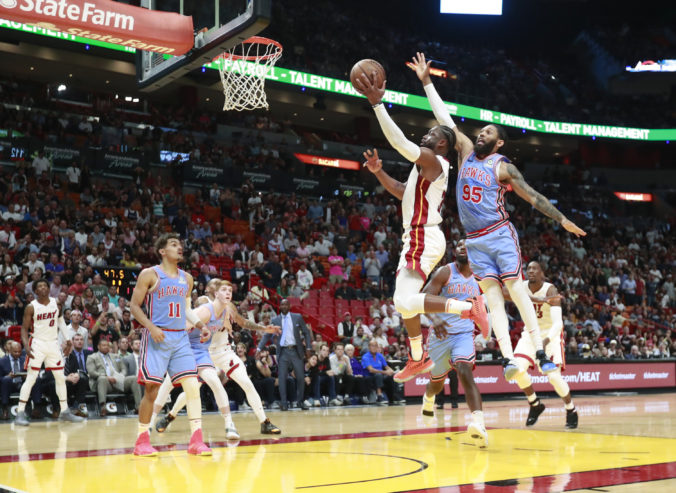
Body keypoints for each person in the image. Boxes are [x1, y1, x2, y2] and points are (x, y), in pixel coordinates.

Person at [412, 52, 586, 379]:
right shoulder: (464, 151)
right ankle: (508, 358)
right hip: (475, 241)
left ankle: (538, 352)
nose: (481, 134)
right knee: (492, 299)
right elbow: (446, 119)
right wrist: (426, 82)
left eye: (489, 133)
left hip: (499, 233)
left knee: (518, 293)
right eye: (481, 131)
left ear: (499, 142)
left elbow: (533, 196)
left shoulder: (503, 166)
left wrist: (561, 219)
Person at [356, 73, 489, 385]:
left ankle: (467, 308)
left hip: (424, 235)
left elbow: (399, 142)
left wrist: (378, 105)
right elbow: (404, 191)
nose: (424, 137)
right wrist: (379, 173)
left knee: (404, 301)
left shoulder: (435, 161)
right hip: (416, 236)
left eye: (430, 134)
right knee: (403, 302)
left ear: (441, 143)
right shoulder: (425, 169)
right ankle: (418, 357)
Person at [154, 280, 281, 437]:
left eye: (228, 288)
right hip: (203, 353)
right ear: (211, 290)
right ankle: (170, 415)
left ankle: (264, 422)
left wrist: (263, 328)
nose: (225, 290)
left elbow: (242, 322)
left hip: (224, 352)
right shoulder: (203, 305)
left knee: (246, 383)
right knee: (192, 390)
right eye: (218, 285)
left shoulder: (228, 306)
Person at [130, 233, 212, 457]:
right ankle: (142, 440)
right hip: (158, 336)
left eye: (181, 244)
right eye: (174, 245)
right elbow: (134, 306)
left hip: (180, 339)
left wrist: (198, 324)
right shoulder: (150, 274)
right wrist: (151, 327)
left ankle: (196, 440)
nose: (180, 247)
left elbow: (185, 309)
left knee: (193, 386)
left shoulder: (187, 278)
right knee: (152, 390)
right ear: (162, 251)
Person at [420, 239, 488, 448]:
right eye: (458, 245)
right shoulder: (445, 272)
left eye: (465, 246)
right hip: (440, 335)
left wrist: (485, 332)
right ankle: (428, 398)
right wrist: (435, 319)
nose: (460, 248)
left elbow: (488, 305)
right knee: (437, 383)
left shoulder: (481, 277)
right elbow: (423, 298)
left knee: (465, 371)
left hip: (464, 334)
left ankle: (479, 423)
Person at [511, 261, 578, 429]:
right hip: (530, 334)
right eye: (529, 269)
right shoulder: (521, 287)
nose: (531, 271)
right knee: (516, 370)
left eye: (535, 269)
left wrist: (545, 341)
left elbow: (558, 324)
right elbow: (504, 291)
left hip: (550, 335)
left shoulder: (551, 290)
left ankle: (571, 409)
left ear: (542, 273)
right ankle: (535, 404)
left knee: (554, 377)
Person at [15, 278, 83, 425]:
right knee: (31, 378)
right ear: (35, 290)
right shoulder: (31, 307)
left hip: (53, 344)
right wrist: (26, 345)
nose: (43, 288)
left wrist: (68, 339)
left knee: (60, 377)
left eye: (45, 285)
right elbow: (24, 329)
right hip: (37, 344)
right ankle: (20, 412)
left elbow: (60, 321)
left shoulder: (55, 303)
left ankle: (65, 411)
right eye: (40, 286)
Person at [257, 298, 312, 411]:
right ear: (280, 307)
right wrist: (259, 348)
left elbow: (306, 333)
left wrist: (309, 347)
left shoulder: (297, 317)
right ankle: (284, 403)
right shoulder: (275, 320)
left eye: (286, 304)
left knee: (301, 377)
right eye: (282, 305)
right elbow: (267, 335)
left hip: (296, 351)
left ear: (289, 306)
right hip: (283, 352)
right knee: (282, 378)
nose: (284, 306)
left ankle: (300, 402)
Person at [1, 341, 43, 420]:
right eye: (15, 352)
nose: (17, 353)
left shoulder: (26, 360)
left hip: (23, 384)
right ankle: (5, 409)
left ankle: (37, 408)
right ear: (10, 350)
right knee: (6, 380)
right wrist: (8, 376)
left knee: (36, 379)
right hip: (9, 385)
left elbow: (34, 373)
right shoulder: (2, 361)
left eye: (19, 352)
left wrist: (27, 376)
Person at [63, 333, 91, 417]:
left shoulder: (89, 353)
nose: (79, 342)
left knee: (82, 379)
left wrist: (76, 375)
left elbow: (76, 370)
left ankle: (77, 406)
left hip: (83, 379)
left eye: (81, 339)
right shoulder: (68, 355)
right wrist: (69, 377)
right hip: (66, 380)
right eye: (77, 340)